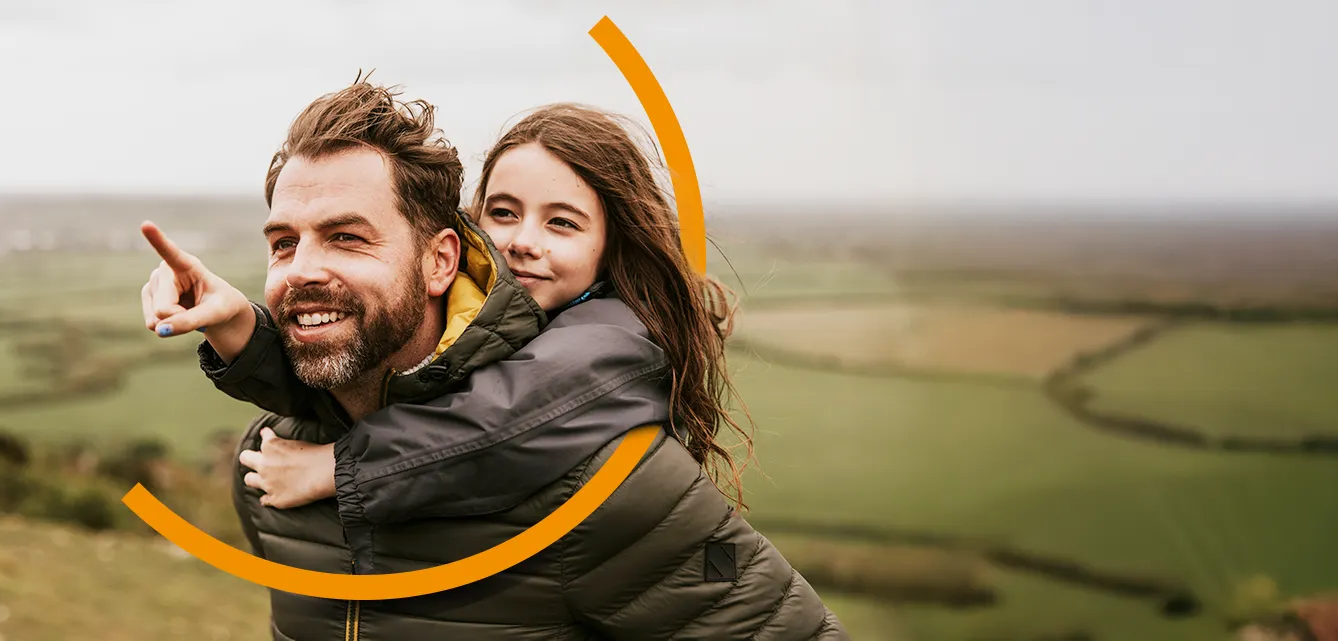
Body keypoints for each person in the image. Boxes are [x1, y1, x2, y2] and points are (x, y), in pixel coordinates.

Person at [138, 76, 849, 640]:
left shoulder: (601, 473)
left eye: (348, 237)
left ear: (444, 258)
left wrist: (346, 468)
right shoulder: (274, 461)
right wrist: (238, 327)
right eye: (283, 242)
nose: (521, 243)